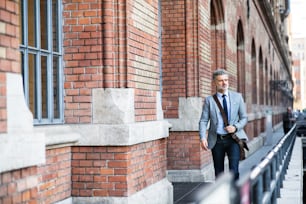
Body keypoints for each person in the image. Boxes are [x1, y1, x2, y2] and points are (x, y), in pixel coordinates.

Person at [199, 69, 248, 180]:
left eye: (226, 80)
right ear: (215, 82)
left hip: (233, 139)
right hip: (217, 140)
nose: (224, 83)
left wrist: (235, 127)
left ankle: (234, 195)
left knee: (234, 171)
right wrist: (202, 137)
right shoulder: (209, 100)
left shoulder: (237, 97)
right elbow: (203, 120)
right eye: (221, 81)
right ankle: (222, 196)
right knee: (219, 172)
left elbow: (244, 118)